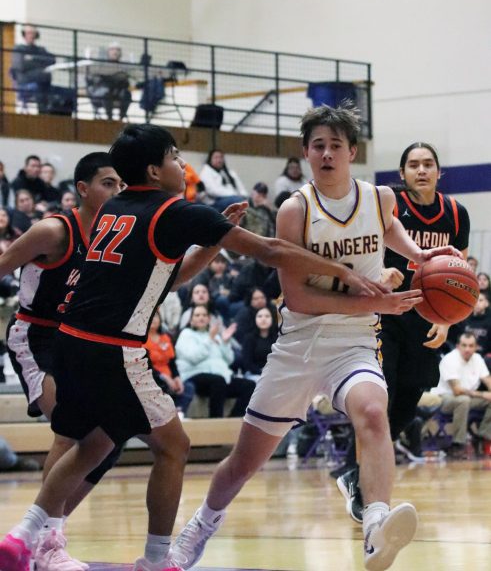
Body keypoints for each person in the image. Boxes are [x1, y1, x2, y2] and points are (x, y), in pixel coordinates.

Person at [0, 122, 389, 571]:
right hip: (113, 349)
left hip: (70, 344)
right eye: (174, 157)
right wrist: (341, 271)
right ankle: (157, 561)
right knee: (174, 446)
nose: (182, 164)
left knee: (93, 441)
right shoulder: (176, 211)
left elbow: (166, 277)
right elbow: (270, 250)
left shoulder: (114, 210)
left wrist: (210, 243)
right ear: (154, 169)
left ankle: (22, 537)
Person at [172, 106, 461, 571]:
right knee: (244, 462)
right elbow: (298, 296)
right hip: (300, 346)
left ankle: (376, 524)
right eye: (317, 145)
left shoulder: (380, 197)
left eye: (335, 145)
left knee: (373, 410)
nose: (326, 153)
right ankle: (201, 525)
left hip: (355, 343)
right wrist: (374, 303)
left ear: (352, 152)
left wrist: (422, 254)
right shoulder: (296, 209)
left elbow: (389, 229)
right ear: (306, 152)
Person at [1, 153, 125, 567]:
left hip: (80, 340)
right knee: (74, 428)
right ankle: (47, 544)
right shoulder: (54, 230)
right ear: (84, 189)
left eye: (122, 185)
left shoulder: (116, 237)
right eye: (108, 183)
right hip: (36, 336)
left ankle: (44, 534)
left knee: (108, 442)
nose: (118, 192)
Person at [337, 141, 470, 523]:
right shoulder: (387, 205)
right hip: (383, 312)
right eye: (413, 165)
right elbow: (357, 249)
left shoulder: (456, 215)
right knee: (383, 393)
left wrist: (446, 321)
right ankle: (357, 477)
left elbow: (459, 279)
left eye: (428, 164)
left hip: (425, 316)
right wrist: (375, 275)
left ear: (439, 172)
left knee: (409, 399)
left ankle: (359, 473)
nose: (422, 170)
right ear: (402, 173)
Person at [175, 305, 254, 418]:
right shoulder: (186, 334)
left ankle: (232, 419)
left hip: (219, 378)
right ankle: (216, 419)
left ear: (208, 319)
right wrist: (209, 339)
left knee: (249, 385)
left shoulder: (215, 336)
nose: (201, 317)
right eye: (197, 315)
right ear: (191, 320)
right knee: (218, 381)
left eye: (204, 315)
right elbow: (193, 357)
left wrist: (225, 342)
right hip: (194, 375)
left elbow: (229, 360)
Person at [434, 332, 491, 458]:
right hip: (444, 399)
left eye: (471, 346)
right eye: (464, 345)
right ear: (458, 346)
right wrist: (483, 394)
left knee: (467, 399)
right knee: (463, 400)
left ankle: (483, 436)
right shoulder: (450, 359)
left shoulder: (478, 359)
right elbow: (457, 390)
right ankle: (457, 444)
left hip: (468, 398)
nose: (467, 349)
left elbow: (488, 380)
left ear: (476, 347)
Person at [144, 311, 194, 416]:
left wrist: (177, 378)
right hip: (153, 377)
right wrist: (165, 378)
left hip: (169, 376)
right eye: (150, 316)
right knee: (163, 385)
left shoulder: (166, 338)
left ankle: (180, 412)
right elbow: (146, 365)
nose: (153, 319)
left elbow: (172, 362)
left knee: (188, 386)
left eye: (156, 316)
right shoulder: (142, 340)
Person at [10, 24, 55, 113]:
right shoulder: (18, 49)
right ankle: (42, 114)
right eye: (29, 33)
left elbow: (52, 60)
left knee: (63, 92)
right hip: (25, 82)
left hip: (44, 82)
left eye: (33, 33)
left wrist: (33, 58)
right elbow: (20, 66)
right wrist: (40, 64)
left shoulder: (41, 50)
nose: (31, 35)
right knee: (40, 87)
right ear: (24, 34)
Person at [86, 41, 132, 120]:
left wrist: (122, 78)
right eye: (113, 50)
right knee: (106, 91)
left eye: (118, 50)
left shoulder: (123, 67)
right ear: (108, 52)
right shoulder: (101, 64)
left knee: (127, 94)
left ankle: (121, 118)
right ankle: (109, 118)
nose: (115, 52)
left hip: (117, 92)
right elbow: (91, 80)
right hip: (101, 92)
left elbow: (126, 84)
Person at [241, 307, 276, 382]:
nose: (263, 319)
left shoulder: (277, 338)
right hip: (255, 374)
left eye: (267, 316)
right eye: (260, 316)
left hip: (274, 373)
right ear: (255, 319)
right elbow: (247, 363)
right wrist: (262, 372)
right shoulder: (249, 338)